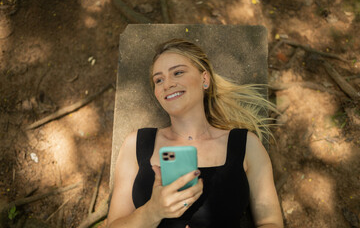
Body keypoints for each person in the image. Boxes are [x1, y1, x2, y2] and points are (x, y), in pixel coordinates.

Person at [107, 39, 283, 228]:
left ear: (204, 79)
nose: (167, 84)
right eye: (159, 80)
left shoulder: (246, 145)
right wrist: (152, 212)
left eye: (178, 72)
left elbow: (271, 223)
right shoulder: (137, 144)